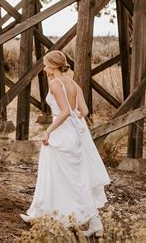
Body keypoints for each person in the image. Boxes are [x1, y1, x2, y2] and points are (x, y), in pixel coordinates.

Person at [20, 50, 110, 237]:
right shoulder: (74, 84)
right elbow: (83, 111)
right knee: (76, 179)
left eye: (45, 65)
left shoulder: (55, 83)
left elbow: (63, 112)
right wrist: (72, 120)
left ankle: (52, 216)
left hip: (60, 134)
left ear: (53, 66)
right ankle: (93, 223)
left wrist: (48, 131)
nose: (44, 69)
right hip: (74, 134)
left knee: (56, 177)